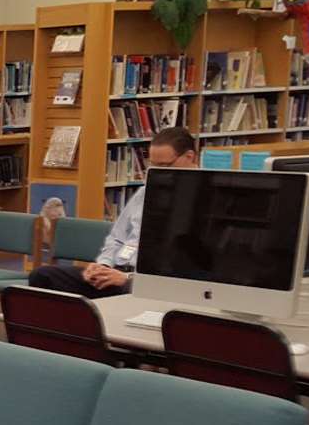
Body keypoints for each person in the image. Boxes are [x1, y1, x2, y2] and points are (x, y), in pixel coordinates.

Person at [27, 126, 196, 298]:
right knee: (42, 276)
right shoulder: (146, 192)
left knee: (127, 289)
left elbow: (184, 267)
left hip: (147, 282)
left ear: (189, 157)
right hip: (116, 271)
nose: (156, 172)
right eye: (153, 165)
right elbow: (116, 237)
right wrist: (103, 266)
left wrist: (128, 278)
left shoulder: (203, 200)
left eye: (164, 166)